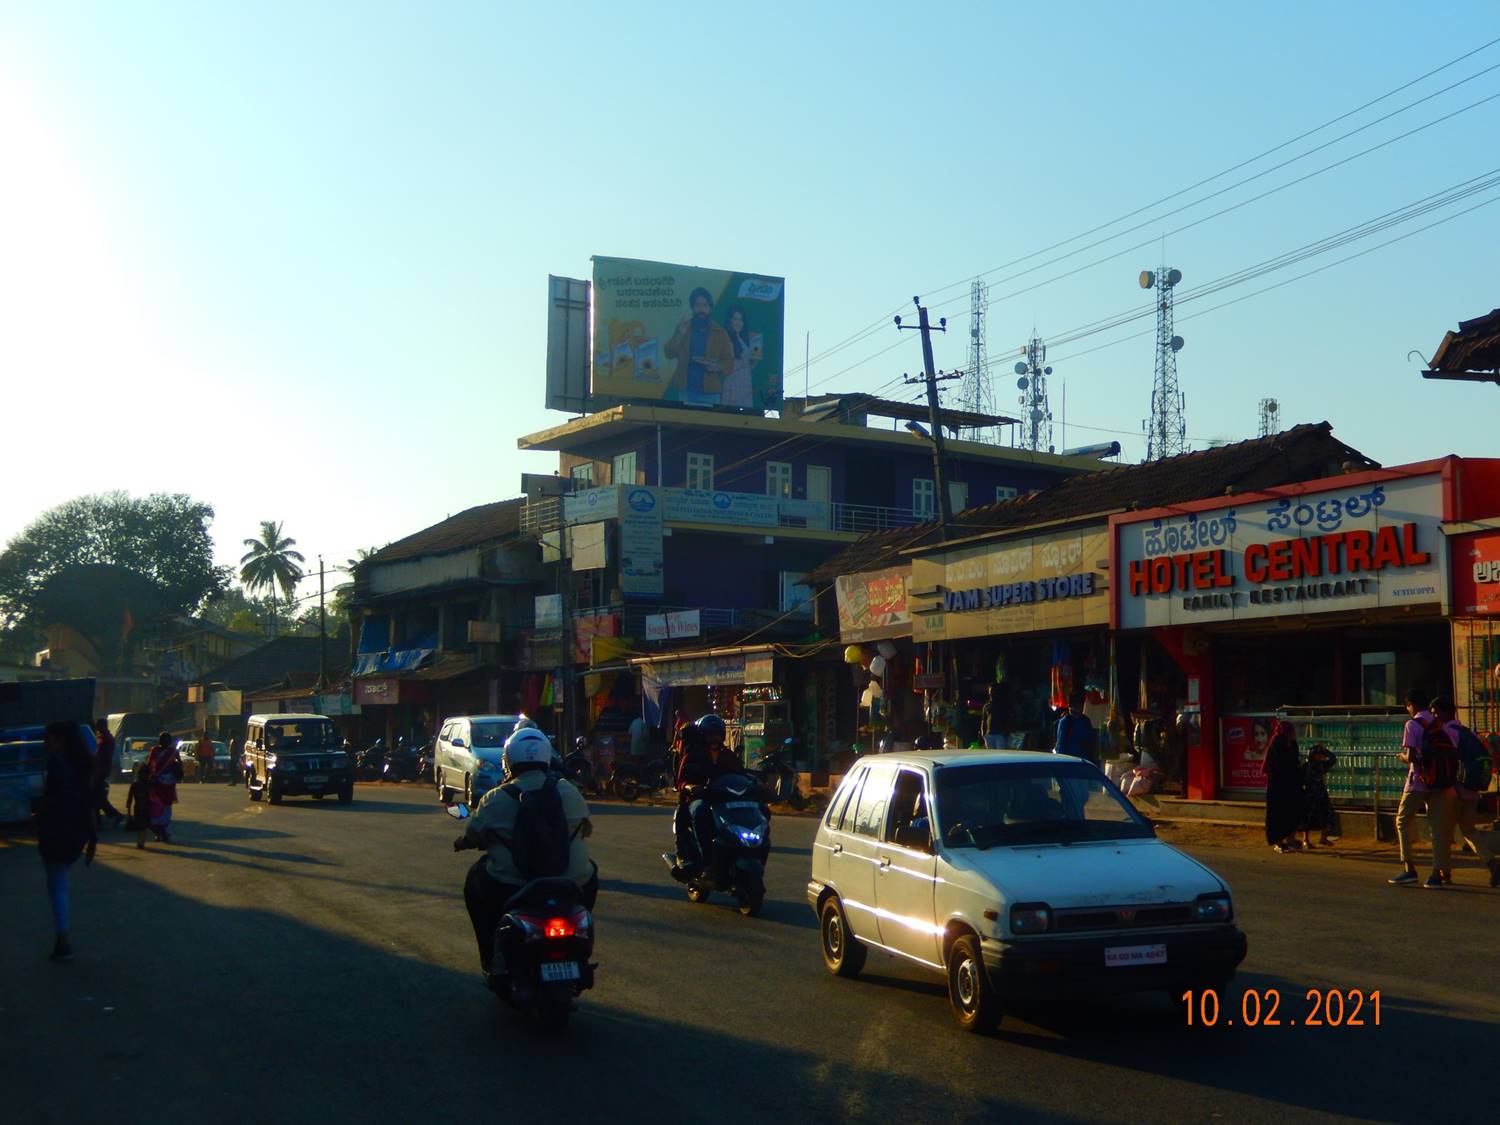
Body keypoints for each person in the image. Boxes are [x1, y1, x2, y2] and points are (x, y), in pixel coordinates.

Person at [456, 727, 597, 974]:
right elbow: (585, 831)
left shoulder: (495, 798)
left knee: (475, 880)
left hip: (512, 885)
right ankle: (581, 938)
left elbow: (474, 833)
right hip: (569, 882)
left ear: (508, 760)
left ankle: (490, 956)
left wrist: (465, 842)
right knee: (591, 871)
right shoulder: (568, 791)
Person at [38, 721, 97, 961]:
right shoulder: (81, 765)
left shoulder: (58, 764)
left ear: (60, 740)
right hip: (77, 831)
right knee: (58, 880)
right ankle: (62, 936)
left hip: (58, 830)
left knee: (56, 883)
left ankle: (63, 937)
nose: (45, 743)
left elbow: (53, 800)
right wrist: (93, 836)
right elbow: (89, 801)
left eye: (49, 738)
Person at [1389, 688, 1454, 888]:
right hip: (1440, 782)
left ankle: (1409, 868)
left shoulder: (1412, 724)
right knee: (1437, 829)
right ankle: (1437, 874)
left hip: (1417, 781)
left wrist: (1401, 757)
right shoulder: (1438, 723)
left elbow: (1411, 757)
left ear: (1411, 705)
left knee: (1402, 821)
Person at [1432, 696, 1499, 887]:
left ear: (1444, 713)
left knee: (1443, 832)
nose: (1434, 717)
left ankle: (1442, 873)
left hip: (1456, 791)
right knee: (1468, 831)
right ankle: (1491, 863)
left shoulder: (1448, 732)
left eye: (1436, 713)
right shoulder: (1465, 731)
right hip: (1472, 790)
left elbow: (1447, 761)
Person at [664, 287, 734, 405]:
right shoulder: (685, 329)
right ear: (692, 308)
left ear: (710, 308)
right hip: (686, 391)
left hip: (711, 393)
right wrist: (679, 334)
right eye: (697, 305)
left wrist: (717, 366)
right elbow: (668, 353)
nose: (701, 309)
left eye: (705, 305)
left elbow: (730, 363)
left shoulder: (720, 332)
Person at [1262, 720, 1305, 853]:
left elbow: (1294, 762)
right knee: (1278, 814)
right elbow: (1275, 765)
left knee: (1293, 812)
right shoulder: (1277, 743)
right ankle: (1279, 842)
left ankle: (1291, 839)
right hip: (1278, 785)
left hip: (1291, 784)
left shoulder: (1293, 745)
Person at [1300, 743, 1339, 848]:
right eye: (1318, 754)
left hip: (1319, 793)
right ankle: (1306, 839)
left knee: (1325, 815)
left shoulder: (1320, 765)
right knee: (1308, 818)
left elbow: (1333, 759)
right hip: (1311, 794)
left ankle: (1323, 838)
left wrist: (1324, 750)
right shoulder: (1308, 766)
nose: (1320, 756)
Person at [145, 732, 182, 844]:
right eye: (163, 739)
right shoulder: (155, 750)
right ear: (160, 740)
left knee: (167, 804)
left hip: (169, 781)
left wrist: (176, 769)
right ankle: (159, 832)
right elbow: (150, 764)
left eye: (167, 739)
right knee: (156, 805)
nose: (165, 742)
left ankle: (163, 830)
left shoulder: (173, 752)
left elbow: (179, 765)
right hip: (157, 781)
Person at [719, 306, 759, 409]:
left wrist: (755, 358)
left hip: (745, 383)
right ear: (729, 321)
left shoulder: (743, 340)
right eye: (735, 319)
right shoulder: (725, 339)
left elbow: (747, 367)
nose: (738, 322)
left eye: (740, 319)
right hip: (733, 383)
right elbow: (727, 365)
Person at [89, 718, 123, 828]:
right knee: (98, 797)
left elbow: (101, 756)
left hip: (100, 770)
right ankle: (109, 817)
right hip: (101, 770)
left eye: (99, 725)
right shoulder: (105, 738)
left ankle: (113, 816)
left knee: (96, 796)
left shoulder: (106, 739)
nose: (97, 728)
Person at [1053, 691, 1099, 765]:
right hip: (1069, 762)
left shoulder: (1086, 721)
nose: (1077, 708)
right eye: (1074, 705)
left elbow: (1091, 742)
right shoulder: (1065, 721)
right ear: (1069, 706)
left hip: (1084, 761)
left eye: (1079, 705)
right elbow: (1060, 745)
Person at [125, 762, 152, 849]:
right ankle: (141, 842)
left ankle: (140, 842)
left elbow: (129, 799)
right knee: (143, 827)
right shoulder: (149, 785)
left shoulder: (135, 784)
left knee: (140, 826)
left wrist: (128, 812)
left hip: (137, 808)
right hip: (147, 807)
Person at [980, 684, 1008, 750]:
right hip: (989, 734)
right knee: (991, 756)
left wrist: (1005, 732)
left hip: (1000, 734)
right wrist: (983, 733)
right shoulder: (986, 706)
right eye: (990, 691)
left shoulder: (1002, 705)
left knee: (1001, 755)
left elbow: (1007, 718)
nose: (992, 693)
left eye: (993, 691)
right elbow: (983, 720)